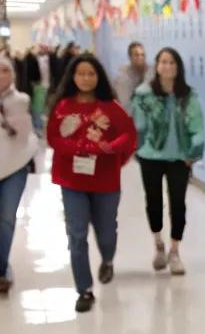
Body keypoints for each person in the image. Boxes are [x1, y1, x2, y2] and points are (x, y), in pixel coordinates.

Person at [47, 52, 137, 314]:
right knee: (76, 235)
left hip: (105, 179)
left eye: (91, 74)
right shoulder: (62, 107)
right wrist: (74, 147)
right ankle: (84, 289)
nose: (85, 79)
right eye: (80, 73)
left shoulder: (111, 108)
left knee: (106, 231)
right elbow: (53, 138)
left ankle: (107, 260)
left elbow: (128, 136)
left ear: (98, 77)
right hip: (71, 179)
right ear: (72, 77)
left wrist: (108, 148)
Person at [132, 47, 204, 276]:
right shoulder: (144, 94)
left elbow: (197, 125)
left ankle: (175, 251)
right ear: (157, 65)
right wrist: (136, 147)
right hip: (150, 157)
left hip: (179, 159)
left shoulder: (187, 95)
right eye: (163, 62)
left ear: (178, 67)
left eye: (172, 62)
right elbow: (138, 125)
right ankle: (158, 244)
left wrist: (193, 152)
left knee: (178, 204)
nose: (168, 66)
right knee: (153, 201)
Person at [0, 55, 39, 296]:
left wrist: (12, 124)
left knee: (6, 218)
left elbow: (25, 135)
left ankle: (1, 270)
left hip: (14, 165)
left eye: (5, 71)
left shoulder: (22, 100)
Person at [113, 40, 148, 109]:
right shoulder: (123, 77)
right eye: (137, 55)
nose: (140, 58)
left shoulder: (149, 72)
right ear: (130, 57)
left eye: (142, 55)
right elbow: (125, 104)